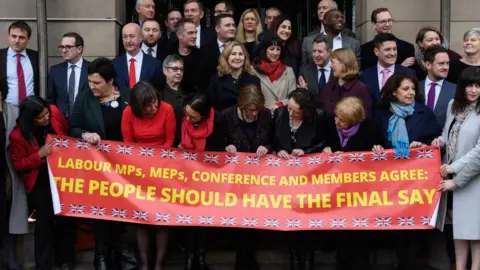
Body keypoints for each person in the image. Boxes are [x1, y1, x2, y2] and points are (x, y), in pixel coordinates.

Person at [69, 57, 131, 270]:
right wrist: (85, 134)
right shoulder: (85, 98)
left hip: (125, 168)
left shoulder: (128, 95)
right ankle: (101, 256)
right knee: (101, 212)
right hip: (97, 167)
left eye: (97, 83)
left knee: (121, 212)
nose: (91, 86)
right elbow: (73, 127)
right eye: (90, 81)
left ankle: (119, 254)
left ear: (110, 80)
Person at [323, 97, 383, 270]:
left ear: (354, 121)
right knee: (341, 230)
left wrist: (378, 151)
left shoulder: (370, 129)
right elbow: (324, 144)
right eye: (336, 117)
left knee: (359, 234)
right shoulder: (331, 125)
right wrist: (326, 148)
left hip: (361, 193)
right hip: (337, 190)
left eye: (342, 120)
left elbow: (381, 156)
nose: (337, 121)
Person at [9, 96, 68, 270]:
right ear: (31, 118)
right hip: (40, 181)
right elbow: (19, 164)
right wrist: (39, 155)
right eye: (41, 117)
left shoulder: (54, 115)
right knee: (44, 224)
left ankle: (65, 260)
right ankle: (43, 264)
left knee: (65, 220)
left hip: (61, 176)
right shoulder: (17, 135)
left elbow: (65, 134)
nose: (46, 119)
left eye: (47, 114)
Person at [121, 82, 175, 270]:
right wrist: (142, 164)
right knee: (141, 220)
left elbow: (169, 142)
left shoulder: (167, 109)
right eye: (148, 106)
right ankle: (144, 264)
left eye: (155, 103)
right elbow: (128, 144)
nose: (154, 108)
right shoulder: (128, 113)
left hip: (163, 170)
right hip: (138, 170)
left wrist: (155, 162)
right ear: (138, 107)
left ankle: (159, 264)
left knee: (161, 220)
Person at [433, 67, 480, 270]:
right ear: (462, 86)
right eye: (470, 85)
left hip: (474, 177)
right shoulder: (454, 105)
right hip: (450, 173)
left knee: (475, 232)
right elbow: (448, 133)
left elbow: (479, 151)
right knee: (459, 229)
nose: (474, 90)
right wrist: (439, 141)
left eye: (478, 86)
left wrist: (453, 167)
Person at [223, 84, 271, 270]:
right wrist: (226, 146)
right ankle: (244, 260)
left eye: (256, 110)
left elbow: (273, 139)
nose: (254, 114)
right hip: (235, 180)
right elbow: (220, 141)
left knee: (254, 222)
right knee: (241, 222)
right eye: (250, 111)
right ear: (242, 107)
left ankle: (246, 259)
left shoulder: (265, 115)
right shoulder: (228, 116)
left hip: (259, 179)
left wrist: (267, 147)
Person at [179, 92, 226, 270]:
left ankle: (200, 255)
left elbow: (218, 150)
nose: (188, 117)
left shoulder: (219, 120)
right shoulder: (181, 116)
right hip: (186, 174)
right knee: (190, 218)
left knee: (204, 217)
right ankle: (190, 258)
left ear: (204, 115)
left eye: (193, 116)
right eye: (187, 113)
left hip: (208, 176)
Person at [374, 73, 441, 157]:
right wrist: (377, 147)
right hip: (389, 166)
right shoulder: (381, 114)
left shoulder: (425, 112)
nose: (411, 92)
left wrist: (422, 145)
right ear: (394, 92)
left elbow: (435, 141)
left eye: (413, 89)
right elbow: (374, 141)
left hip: (417, 166)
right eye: (406, 89)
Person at [360, 33, 415, 114]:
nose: (392, 53)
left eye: (394, 49)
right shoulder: (364, 76)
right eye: (387, 49)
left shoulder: (408, 74)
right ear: (376, 51)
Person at [273, 88, 327, 158]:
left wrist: (305, 151)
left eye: (297, 112)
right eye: (289, 108)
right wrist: (279, 150)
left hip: (307, 161)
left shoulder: (318, 116)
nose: (291, 114)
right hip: (284, 160)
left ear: (306, 112)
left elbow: (322, 142)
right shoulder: (279, 113)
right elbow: (273, 138)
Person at [206, 41, 260, 111]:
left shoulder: (254, 80)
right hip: (222, 120)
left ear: (245, 58)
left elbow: (257, 107)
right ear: (226, 57)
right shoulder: (216, 80)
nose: (237, 57)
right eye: (233, 54)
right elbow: (212, 108)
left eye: (240, 54)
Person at [47, 32, 90, 119]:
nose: (64, 50)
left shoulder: (92, 69)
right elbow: (50, 99)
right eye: (62, 47)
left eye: (68, 47)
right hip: (61, 121)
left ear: (79, 49)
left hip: (86, 120)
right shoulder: (55, 70)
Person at [319, 48, 372, 117]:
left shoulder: (361, 88)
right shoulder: (329, 86)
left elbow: (365, 116)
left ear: (344, 63)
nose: (330, 66)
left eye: (333, 62)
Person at [113, 23, 162, 90]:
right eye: (125, 37)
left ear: (141, 37)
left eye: (132, 36)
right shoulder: (114, 64)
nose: (128, 41)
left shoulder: (155, 64)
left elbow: (158, 90)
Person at [253, 37, 296, 110]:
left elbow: (294, 97)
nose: (275, 53)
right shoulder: (253, 70)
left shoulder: (289, 71)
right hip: (262, 115)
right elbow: (252, 97)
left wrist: (280, 104)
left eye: (278, 49)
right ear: (264, 50)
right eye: (272, 49)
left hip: (282, 114)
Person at [419, 46, 455, 129]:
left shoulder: (456, 90)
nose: (446, 67)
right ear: (428, 65)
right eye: (441, 63)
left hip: (443, 140)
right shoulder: (414, 88)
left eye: (447, 63)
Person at [201, 14, 236, 87]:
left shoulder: (240, 47)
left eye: (233, 25)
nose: (232, 28)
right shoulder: (205, 50)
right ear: (217, 29)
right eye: (227, 25)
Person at [169, 18, 203, 92]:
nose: (194, 36)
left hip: (196, 100)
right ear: (179, 35)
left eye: (195, 32)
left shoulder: (202, 57)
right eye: (190, 33)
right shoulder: (168, 55)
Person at [299, 35, 333, 101]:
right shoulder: (305, 71)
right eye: (314, 51)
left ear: (329, 52)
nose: (316, 55)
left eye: (320, 51)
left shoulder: (338, 70)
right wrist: (303, 93)